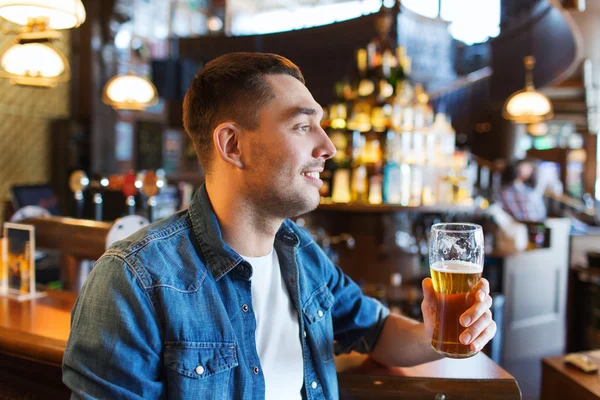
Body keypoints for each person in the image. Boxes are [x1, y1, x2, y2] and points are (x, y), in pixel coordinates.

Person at [62, 53, 496, 399]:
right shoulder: (134, 280)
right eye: (303, 125)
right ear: (232, 145)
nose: (327, 147)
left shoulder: (302, 254)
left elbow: (376, 330)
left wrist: (444, 333)